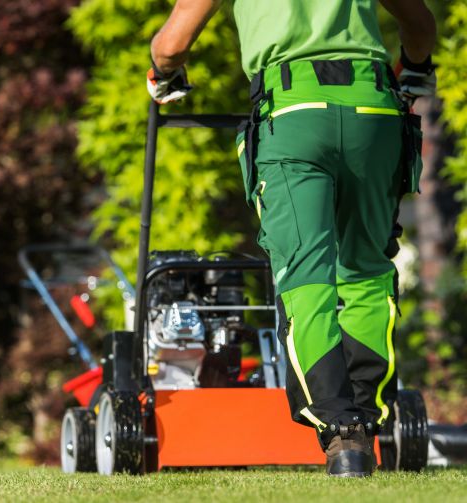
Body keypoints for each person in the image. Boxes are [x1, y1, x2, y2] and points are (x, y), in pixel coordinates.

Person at [148, 0, 436, 477]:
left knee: (306, 273)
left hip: (294, 112)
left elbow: (173, 44)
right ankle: (364, 423)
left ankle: (342, 434)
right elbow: (420, 24)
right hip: (374, 109)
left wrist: (163, 73)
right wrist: (414, 66)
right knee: (366, 270)